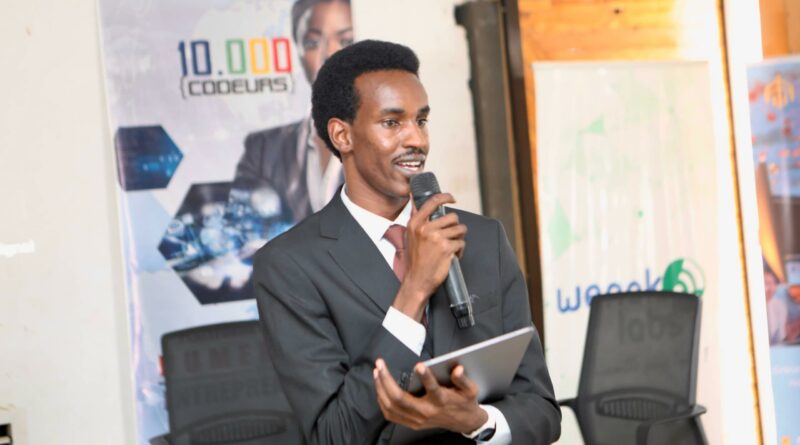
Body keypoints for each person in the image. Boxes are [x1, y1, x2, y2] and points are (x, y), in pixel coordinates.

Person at [253, 40, 561, 444]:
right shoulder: (290, 265)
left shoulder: (484, 239)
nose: (417, 139)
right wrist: (414, 289)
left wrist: (478, 420)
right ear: (342, 135)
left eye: (422, 120)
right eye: (392, 122)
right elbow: (334, 435)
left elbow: (542, 411)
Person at [233, 0, 353, 223]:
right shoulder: (263, 150)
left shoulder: (390, 141)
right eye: (312, 42)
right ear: (298, 52)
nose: (329, 54)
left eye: (346, 41)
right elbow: (245, 230)